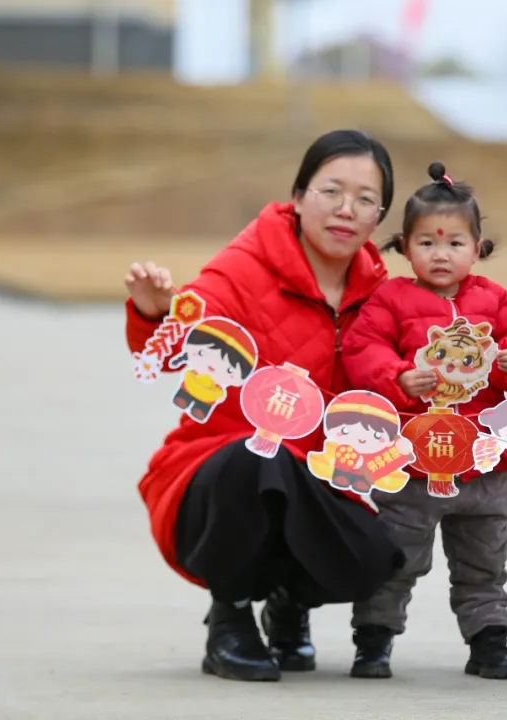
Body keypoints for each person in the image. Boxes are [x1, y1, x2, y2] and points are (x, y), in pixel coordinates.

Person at [123, 129, 406, 682]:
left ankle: (287, 602)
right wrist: (157, 313)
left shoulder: (383, 297)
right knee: (261, 457)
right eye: (330, 191)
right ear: (298, 197)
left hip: (318, 480)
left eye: (366, 199)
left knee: (378, 557)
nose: (346, 209)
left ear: (378, 219)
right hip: (214, 476)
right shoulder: (242, 266)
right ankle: (229, 617)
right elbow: (181, 347)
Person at [340, 162, 507, 680]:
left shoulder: (492, 300)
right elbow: (361, 347)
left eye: (455, 242)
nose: (441, 253)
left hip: (482, 461)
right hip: (410, 462)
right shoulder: (391, 299)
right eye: (426, 243)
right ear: (404, 249)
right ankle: (374, 639)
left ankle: (488, 640)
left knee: (484, 559)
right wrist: (398, 377)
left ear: (478, 248)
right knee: (398, 555)